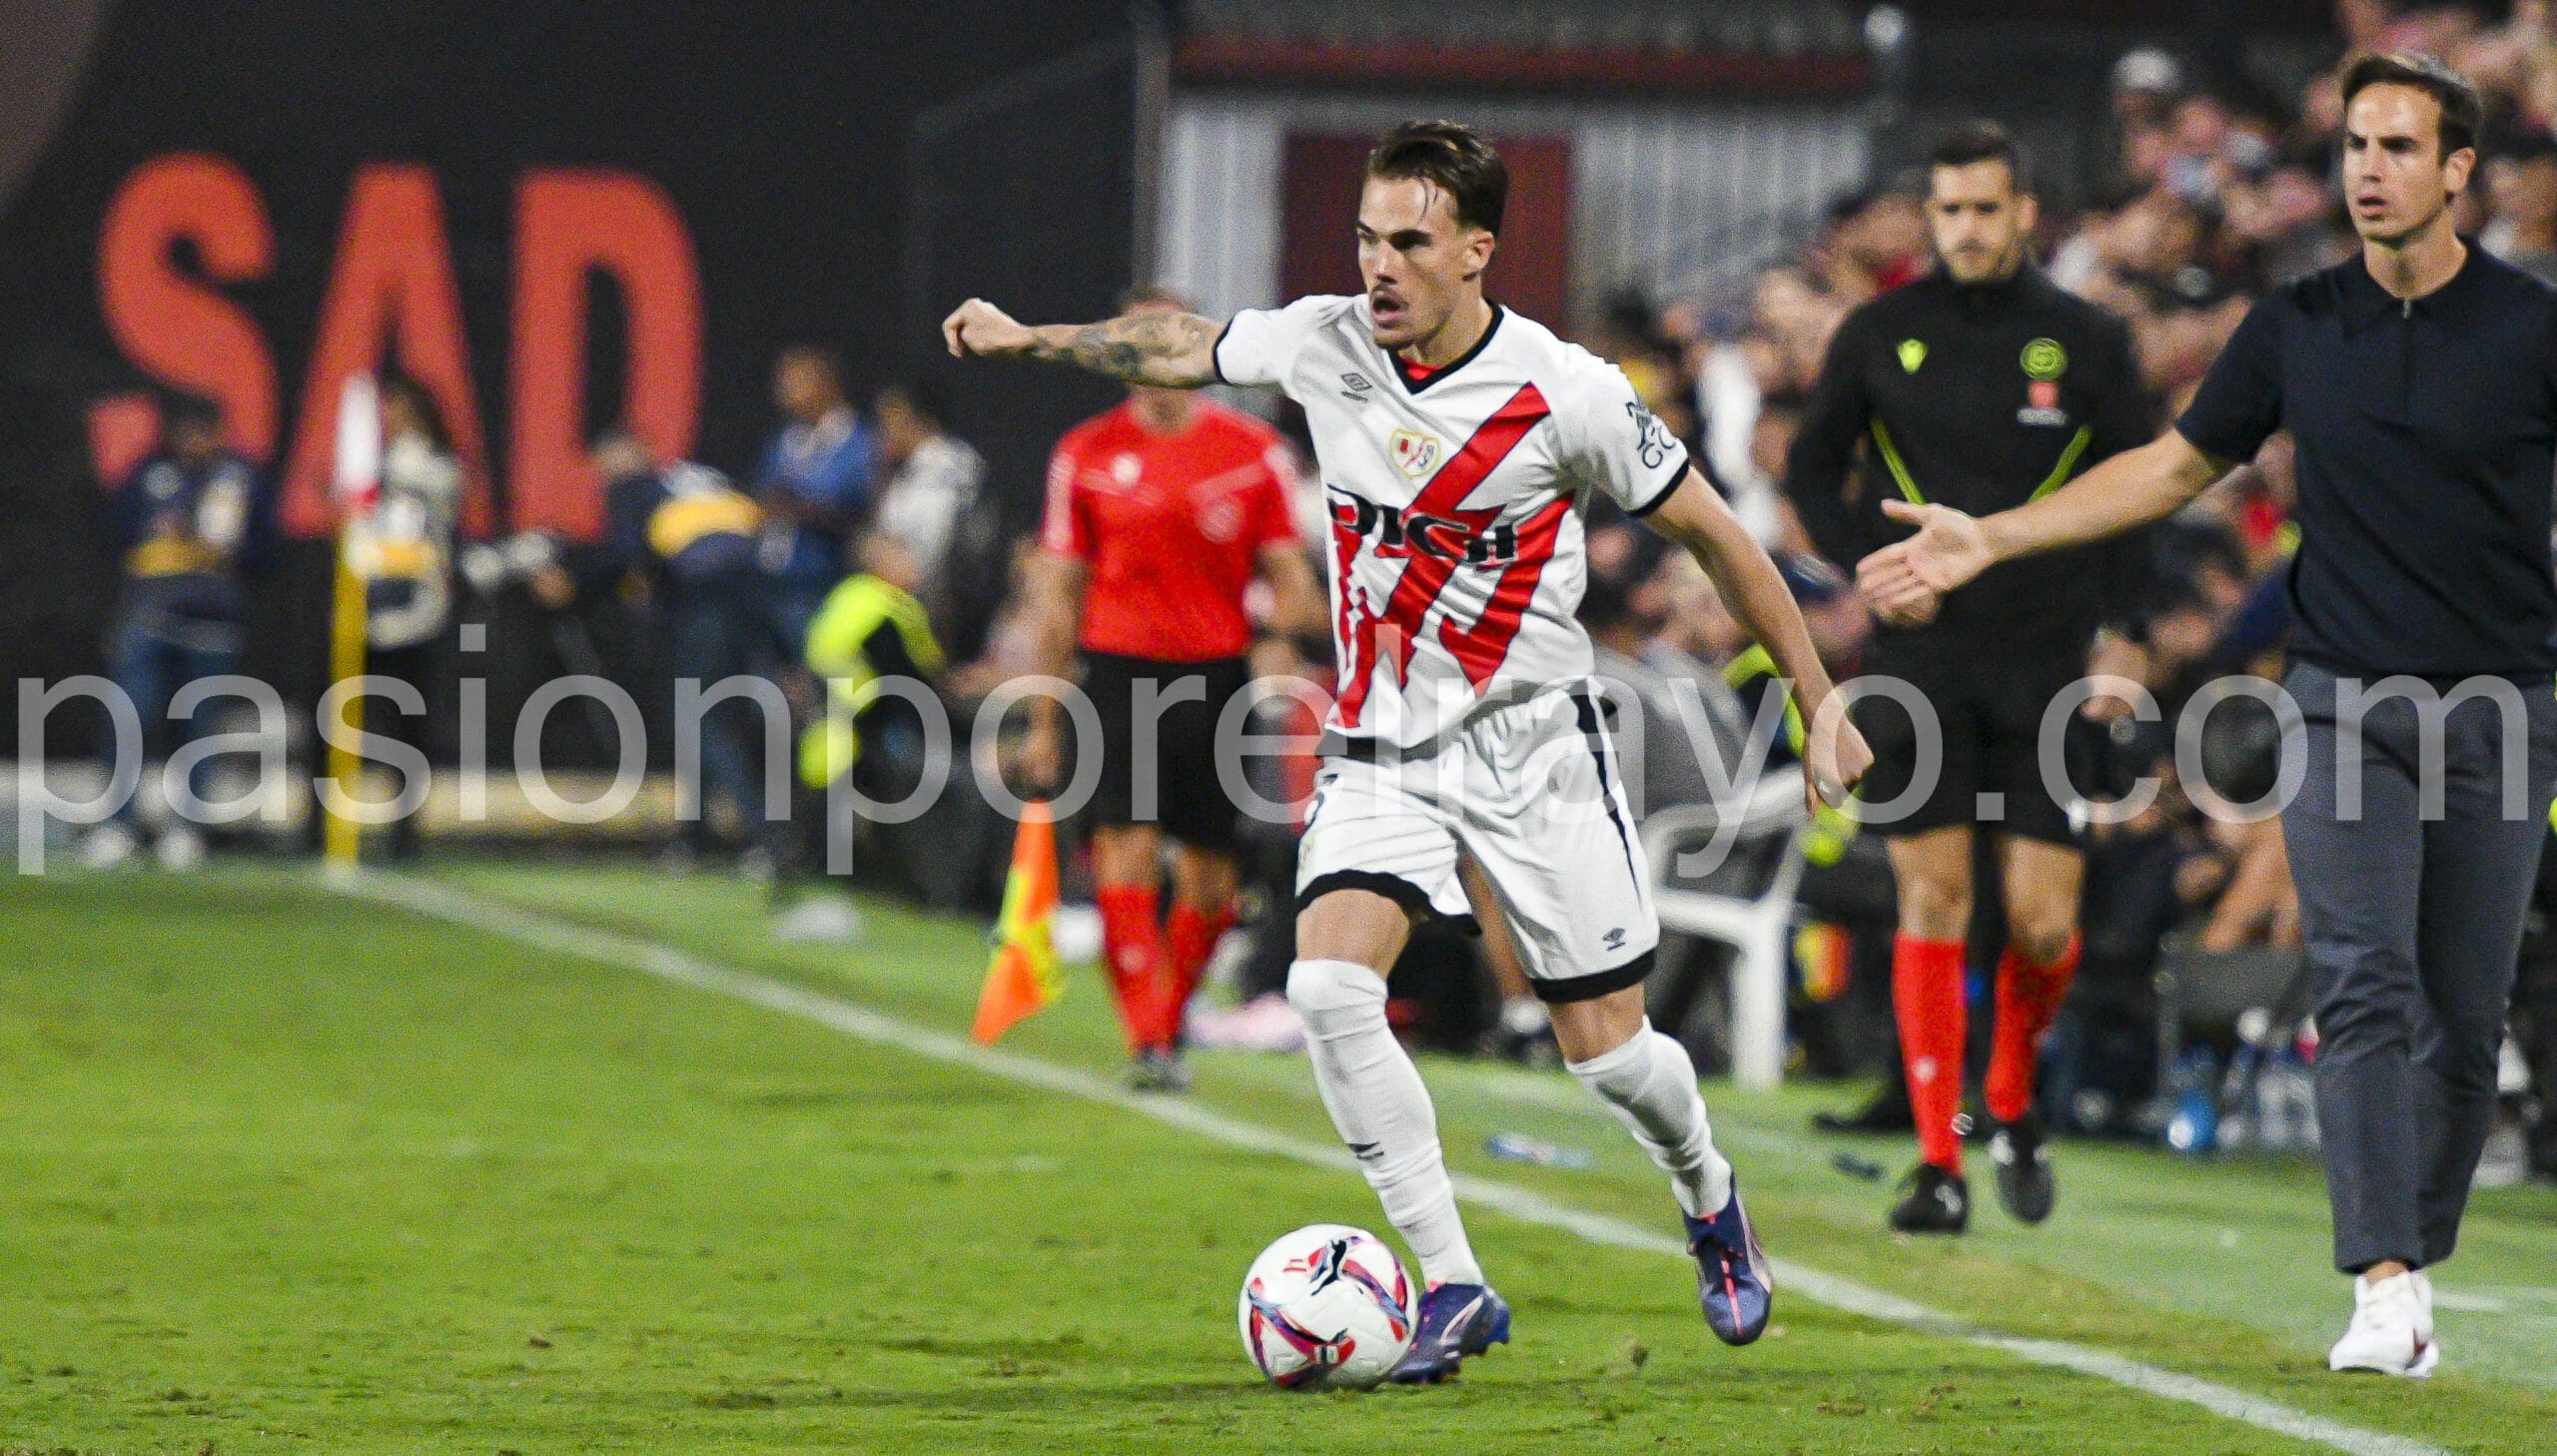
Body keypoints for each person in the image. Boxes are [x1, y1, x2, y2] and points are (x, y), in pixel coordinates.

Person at [944, 119, 1872, 1378]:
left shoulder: (1569, 393)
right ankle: (1453, 1284)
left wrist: (1818, 697)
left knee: (1608, 1056)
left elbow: (1721, 538)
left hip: (1535, 751)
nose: (1378, 266)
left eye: (1410, 243)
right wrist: (1033, 338)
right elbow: (1181, 341)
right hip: (1382, 747)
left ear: (1477, 251)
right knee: (1328, 987)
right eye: (1368, 238)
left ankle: (1708, 1196)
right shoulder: (1325, 341)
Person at [1860, 54, 2557, 1379]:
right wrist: (1992, 537)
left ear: (2461, 170)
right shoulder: (2297, 323)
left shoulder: (2532, 326)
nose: (2368, 168)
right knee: (2363, 981)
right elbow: (2170, 465)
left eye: (2401, 147)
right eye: (2355, 141)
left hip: (2504, 708)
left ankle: (2416, 1248)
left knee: (2465, 1021)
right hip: (2343, 699)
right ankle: (2382, 1278)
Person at [1787, 120, 2152, 1234]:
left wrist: (2126, 632)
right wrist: (1875, 568)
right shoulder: (1878, 331)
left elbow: (2142, 483)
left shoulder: (2087, 339)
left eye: (1986, 209)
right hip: (1924, 663)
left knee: (2044, 925)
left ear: (2025, 213)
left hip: (2047, 658)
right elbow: (1810, 471)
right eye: (1948, 210)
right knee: (1932, 900)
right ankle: (1939, 1161)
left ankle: (2011, 1097)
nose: (1966, 229)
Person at [1014, 285, 1325, 1092]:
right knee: (1126, 845)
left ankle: (1169, 1020)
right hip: (1116, 674)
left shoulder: (1253, 453)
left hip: (1218, 679)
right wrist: (1045, 716)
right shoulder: (1082, 454)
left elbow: (1290, 579)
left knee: (1213, 873)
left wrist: (1280, 642)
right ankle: (1149, 1038)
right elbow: (1059, 596)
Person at [86, 392, 269, 871]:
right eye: (185, 430)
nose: (193, 441)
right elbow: (114, 532)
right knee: (131, 719)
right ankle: (116, 824)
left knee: (199, 729)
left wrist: (222, 548)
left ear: (219, 433)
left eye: (203, 431)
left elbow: (267, 549)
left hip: (213, 624)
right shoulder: (150, 474)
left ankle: (187, 826)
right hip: (151, 618)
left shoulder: (240, 478)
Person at [345, 370, 462, 860]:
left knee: (407, 722)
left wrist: (366, 475)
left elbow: (433, 494)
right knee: (338, 714)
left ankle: (404, 830)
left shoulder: (434, 466)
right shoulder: (371, 467)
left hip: (415, 609)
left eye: (391, 410)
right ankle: (324, 824)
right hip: (362, 605)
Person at [753, 346, 873, 651]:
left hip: (822, 584)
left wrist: (800, 505)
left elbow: (851, 502)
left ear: (825, 385)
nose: (784, 392)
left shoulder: (857, 442)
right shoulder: (786, 439)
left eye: (795, 383)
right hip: (772, 581)